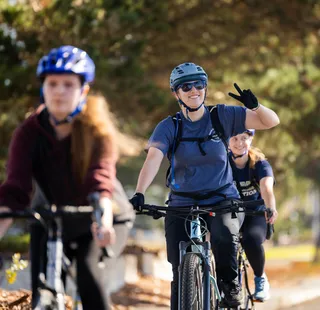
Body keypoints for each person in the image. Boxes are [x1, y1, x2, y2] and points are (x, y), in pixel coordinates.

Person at [129, 62, 280, 309]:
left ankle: (231, 286)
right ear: (176, 93)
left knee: (223, 237)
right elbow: (153, 158)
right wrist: (139, 192)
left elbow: (271, 121)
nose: (193, 90)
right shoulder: (170, 126)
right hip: (181, 201)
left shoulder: (222, 116)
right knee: (177, 265)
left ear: (205, 88)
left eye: (198, 85)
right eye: (185, 86)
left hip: (222, 199)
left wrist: (255, 106)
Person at [0, 45, 128, 310]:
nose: (59, 91)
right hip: (49, 217)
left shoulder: (97, 130)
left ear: (84, 90)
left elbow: (100, 181)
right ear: (43, 88)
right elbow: (15, 189)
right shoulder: (28, 132)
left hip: (101, 216)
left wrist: (102, 222)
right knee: (41, 292)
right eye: (52, 83)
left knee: (89, 277)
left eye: (68, 84)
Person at [228, 129, 278, 302]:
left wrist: (270, 208)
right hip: (229, 212)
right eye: (234, 138)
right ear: (227, 140)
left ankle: (260, 278)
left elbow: (266, 188)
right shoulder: (222, 162)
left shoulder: (259, 164)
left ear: (251, 140)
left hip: (254, 213)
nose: (239, 142)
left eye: (244, 138)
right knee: (222, 240)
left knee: (251, 239)